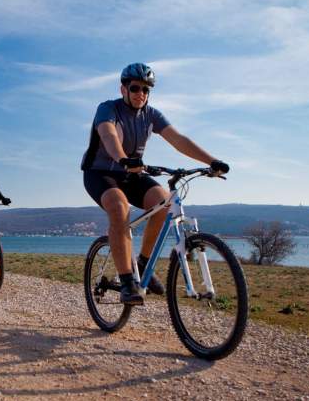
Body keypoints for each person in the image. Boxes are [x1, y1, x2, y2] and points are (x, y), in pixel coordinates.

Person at [80, 62, 229, 305]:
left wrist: (212, 161)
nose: (141, 94)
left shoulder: (152, 114)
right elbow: (108, 135)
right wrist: (123, 159)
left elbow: (179, 139)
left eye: (146, 90)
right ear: (123, 89)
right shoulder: (108, 109)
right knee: (119, 208)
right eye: (136, 88)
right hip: (100, 172)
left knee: (164, 203)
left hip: (132, 170)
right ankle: (128, 282)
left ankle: (142, 263)